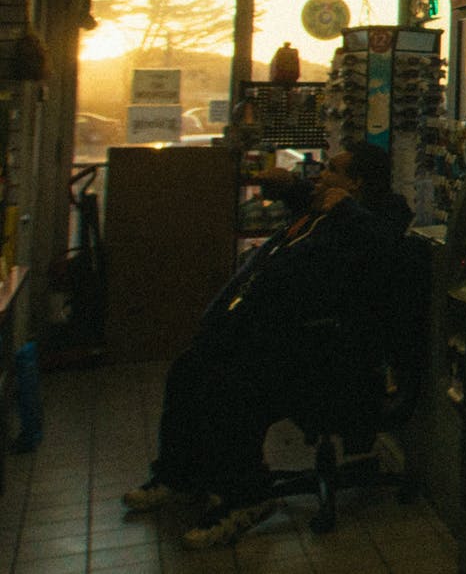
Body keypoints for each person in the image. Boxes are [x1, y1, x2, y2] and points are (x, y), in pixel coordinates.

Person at [121, 143, 412, 548]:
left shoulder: (377, 217)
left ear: (356, 183)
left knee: (232, 382)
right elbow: (307, 207)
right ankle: (179, 474)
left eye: (332, 170)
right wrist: (291, 186)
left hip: (328, 357)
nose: (321, 176)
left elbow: (383, 246)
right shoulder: (323, 214)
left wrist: (346, 209)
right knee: (190, 368)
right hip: (284, 340)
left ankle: (247, 496)